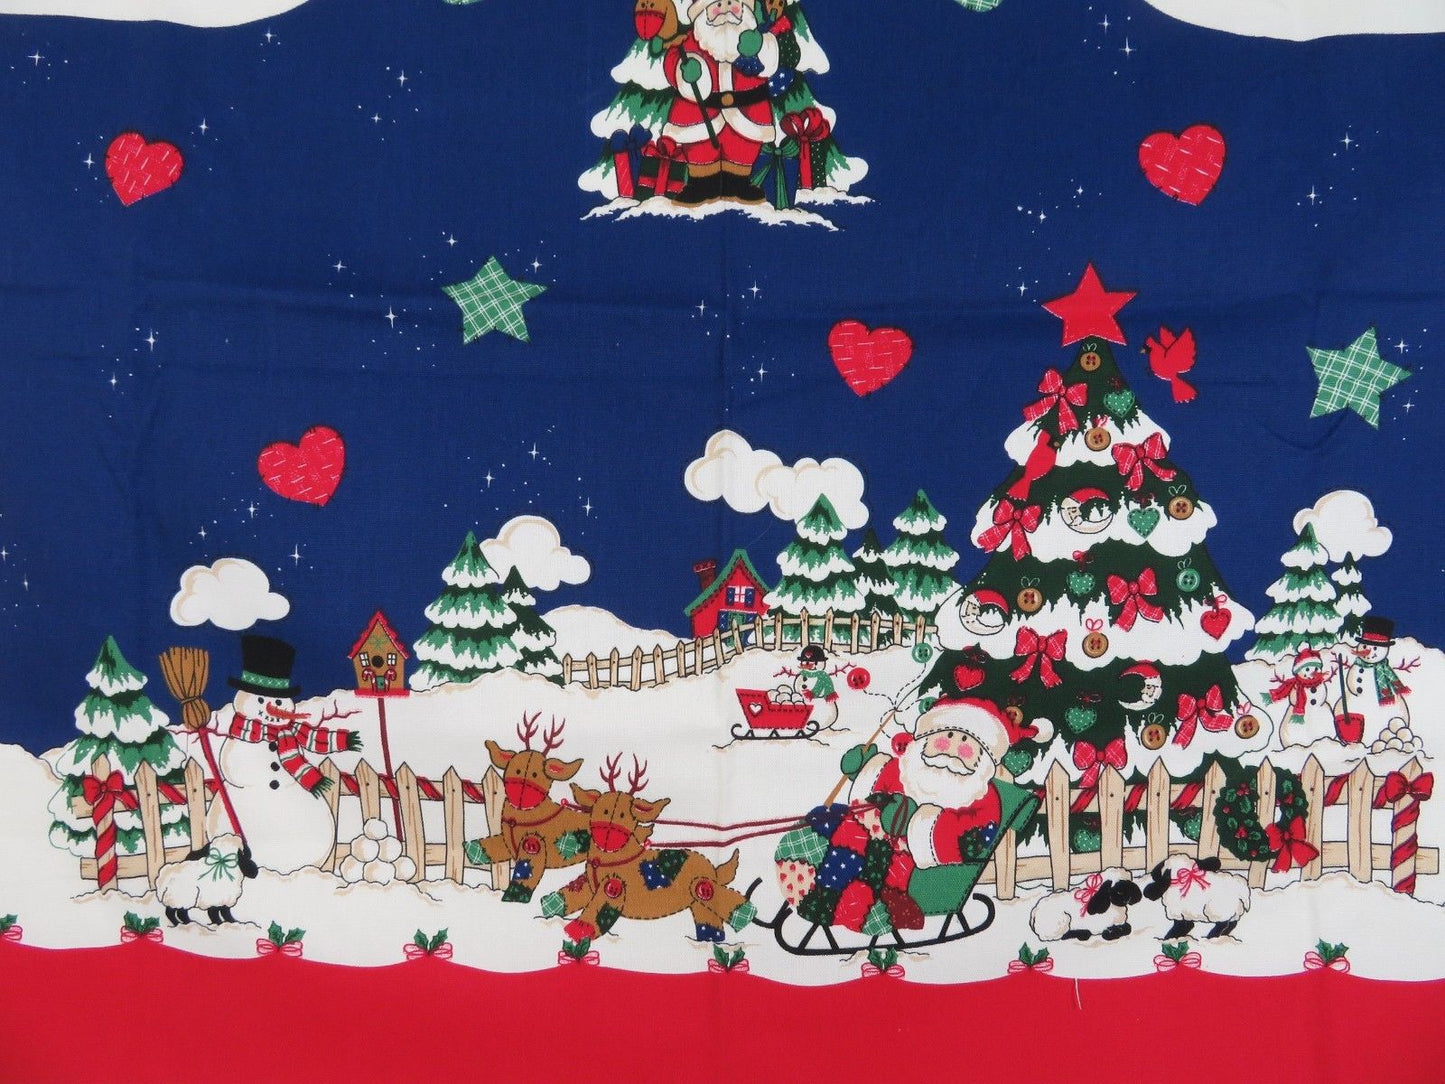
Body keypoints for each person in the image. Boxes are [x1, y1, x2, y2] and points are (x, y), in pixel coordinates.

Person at [661, 0, 781, 204]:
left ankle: (739, 182)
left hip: (747, 113)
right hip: (701, 115)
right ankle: (701, 183)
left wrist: (761, 48)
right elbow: (673, 59)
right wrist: (685, 69)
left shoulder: (754, 36)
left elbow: (770, 63)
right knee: (700, 148)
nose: (725, 9)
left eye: (731, 3)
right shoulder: (692, 40)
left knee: (743, 147)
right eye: (717, 5)